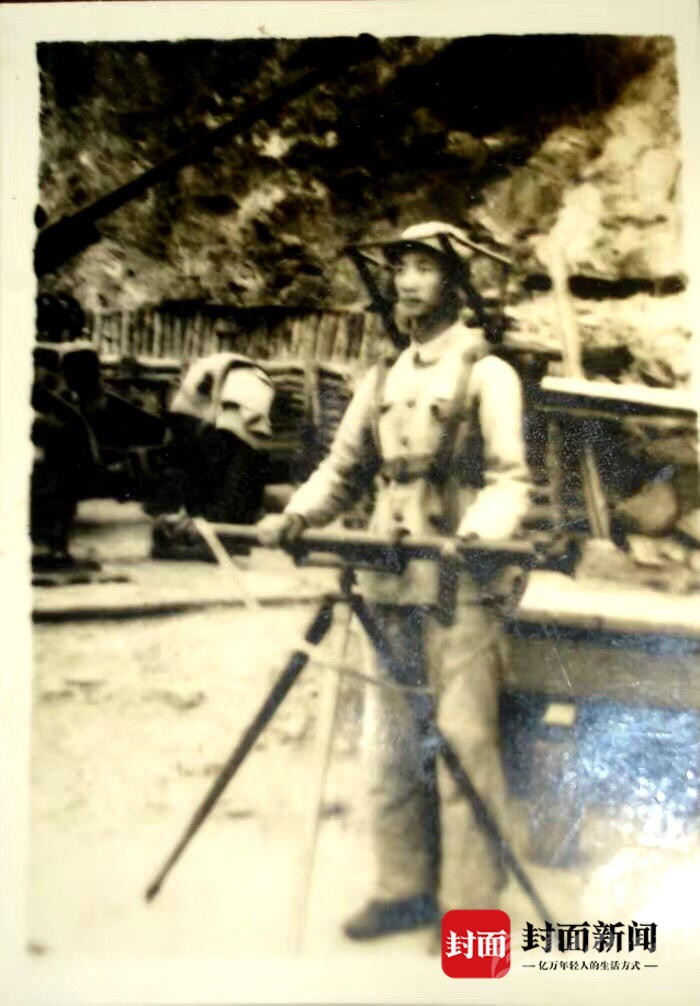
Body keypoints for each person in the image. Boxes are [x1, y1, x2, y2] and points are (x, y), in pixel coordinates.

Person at [257, 221, 531, 939]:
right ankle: (402, 887)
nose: (408, 279)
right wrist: (298, 516)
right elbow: (342, 468)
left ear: (456, 283)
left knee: (464, 743)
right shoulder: (381, 378)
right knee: (390, 740)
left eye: (425, 267)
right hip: (386, 579)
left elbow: (509, 480)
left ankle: (472, 915)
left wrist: (479, 537)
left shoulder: (488, 374)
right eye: (401, 266)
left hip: (459, 584)